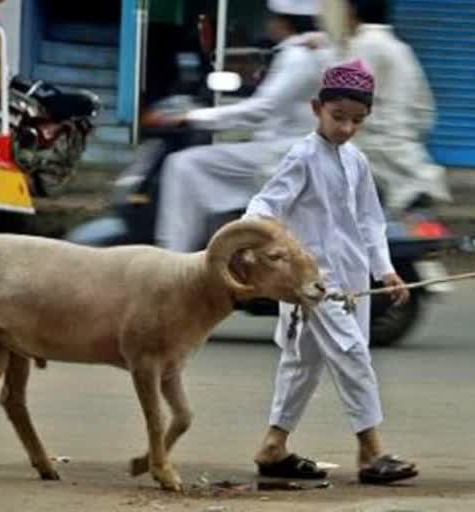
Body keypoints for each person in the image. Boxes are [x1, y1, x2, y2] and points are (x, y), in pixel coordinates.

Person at [246, 59, 418, 485]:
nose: (345, 128)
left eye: (357, 120)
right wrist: (264, 252)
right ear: (316, 109)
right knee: (353, 355)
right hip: (313, 284)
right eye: (338, 117)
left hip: (353, 281)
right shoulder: (302, 155)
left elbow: (370, 221)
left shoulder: (356, 160)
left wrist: (385, 270)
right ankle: (370, 452)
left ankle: (273, 447)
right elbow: (263, 208)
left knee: (302, 365)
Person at [152, 0, 328, 252]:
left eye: (273, 18)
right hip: (285, 149)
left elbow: (261, 109)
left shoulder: (298, 58)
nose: (269, 24)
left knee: (183, 165)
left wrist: (192, 117)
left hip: (282, 155)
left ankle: (174, 259)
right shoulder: (312, 52)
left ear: (285, 21)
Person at [343, 0, 450, 213]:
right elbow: (425, 109)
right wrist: (407, 137)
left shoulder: (362, 46)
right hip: (408, 157)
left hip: (375, 154)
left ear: (352, 12)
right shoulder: (402, 49)